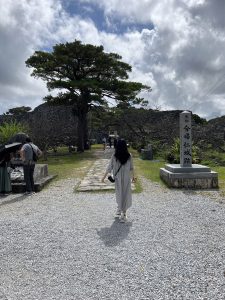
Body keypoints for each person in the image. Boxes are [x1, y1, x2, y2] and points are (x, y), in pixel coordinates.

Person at [101, 139, 136, 222]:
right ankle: (122, 211)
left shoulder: (114, 156)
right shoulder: (129, 156)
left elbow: (109, 168)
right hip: (127, 179)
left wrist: (103, 177)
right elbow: (132, 168)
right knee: (126, 194)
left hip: (118, 179)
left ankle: (122, 212)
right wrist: (133, 177)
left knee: (119, 194)